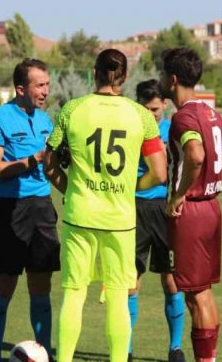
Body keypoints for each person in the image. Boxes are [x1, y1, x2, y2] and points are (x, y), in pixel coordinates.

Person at [43, 49, 167, 362]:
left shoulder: (73, 109)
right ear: (124, 77)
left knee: (74, 293)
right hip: (120, 220)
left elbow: (49, 164)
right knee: (116, 297)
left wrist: (70, 188)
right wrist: (129, 188)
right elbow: (160, 172)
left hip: (79, 215)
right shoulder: (140, 115)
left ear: (94, 73)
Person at [158, 48, 222, 362]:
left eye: (162, 73)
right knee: (203, 291)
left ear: (173, 79)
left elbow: (195, 155)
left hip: (192, 212)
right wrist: (216, 179)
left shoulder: (183, 117)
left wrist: (180, 194)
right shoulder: (209, 112)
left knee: (197, 296)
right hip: (211, 207)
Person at [0, 58, 58, 362]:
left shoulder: (46, 121)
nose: (45, 91)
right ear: (20, 88)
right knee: (5, 284)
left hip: (42, 208)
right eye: (40, 85)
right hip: (12, 210)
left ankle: (45, 354)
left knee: (42, 287)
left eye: (47, 85)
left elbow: (52, 169)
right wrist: (32, 160)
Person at [128, 79, 185, 362]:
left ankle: (175, 348)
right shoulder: (129, 128)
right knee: (131, 282)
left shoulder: (173, 130)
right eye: (145, 108)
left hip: (165, 209)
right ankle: (124, 350)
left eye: (155, 108)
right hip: (135, 208)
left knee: (171, 281)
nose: (151, 114)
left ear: (164, 103)